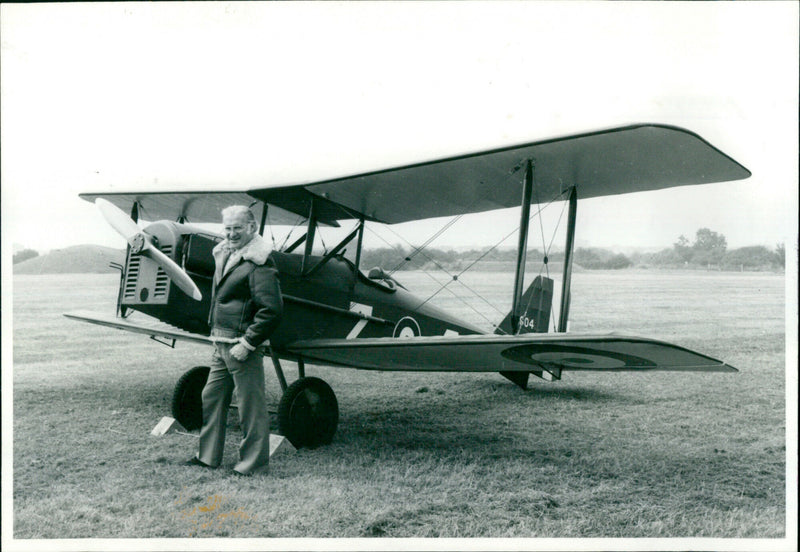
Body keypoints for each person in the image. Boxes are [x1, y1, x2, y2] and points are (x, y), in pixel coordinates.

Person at [187, 205, 283, 476]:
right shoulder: (226, 255)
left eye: (237, 228)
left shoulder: (260, 263)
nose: (231, 234)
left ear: (252, 228)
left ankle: (252, 465)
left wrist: (249, 343)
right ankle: (207, 458)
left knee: (250, 406)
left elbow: (272, 310)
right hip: (221, 342)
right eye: (227, 228)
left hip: (241, 345)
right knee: (212, 397)